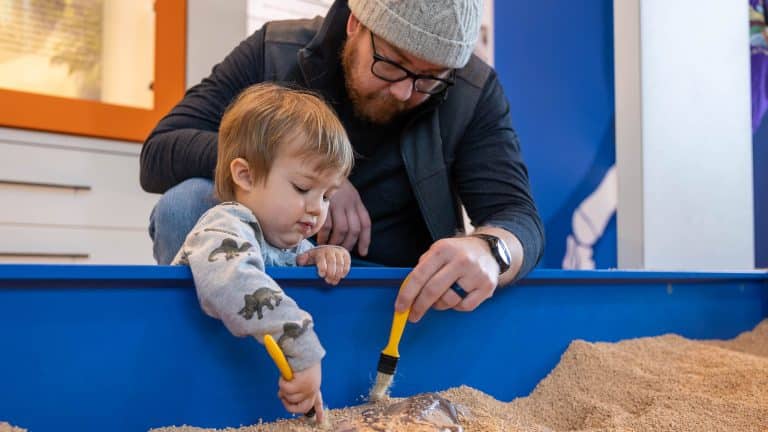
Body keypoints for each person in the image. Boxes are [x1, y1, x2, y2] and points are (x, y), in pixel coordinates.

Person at [141, 0, 545, 324]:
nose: (405, 91)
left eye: (430, 78)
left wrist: (491, 251)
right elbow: (161, 150)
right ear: (355, 22)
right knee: (187, 202)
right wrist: (312, 174)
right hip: (265, 270)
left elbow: (517, 216)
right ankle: (207, 353)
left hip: (396, 293)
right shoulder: (274, 53)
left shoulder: (471, 90)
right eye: (392, 62)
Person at [171, 83, 355, 421]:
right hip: (189, 386)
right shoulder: (222, 227)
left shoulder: (286, 238)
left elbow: (288, 263)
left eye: (327, 195)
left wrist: (317, 255)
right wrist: (303, 351)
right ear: (246, 175)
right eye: (303, 188)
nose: (318, 210)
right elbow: (233, 281)